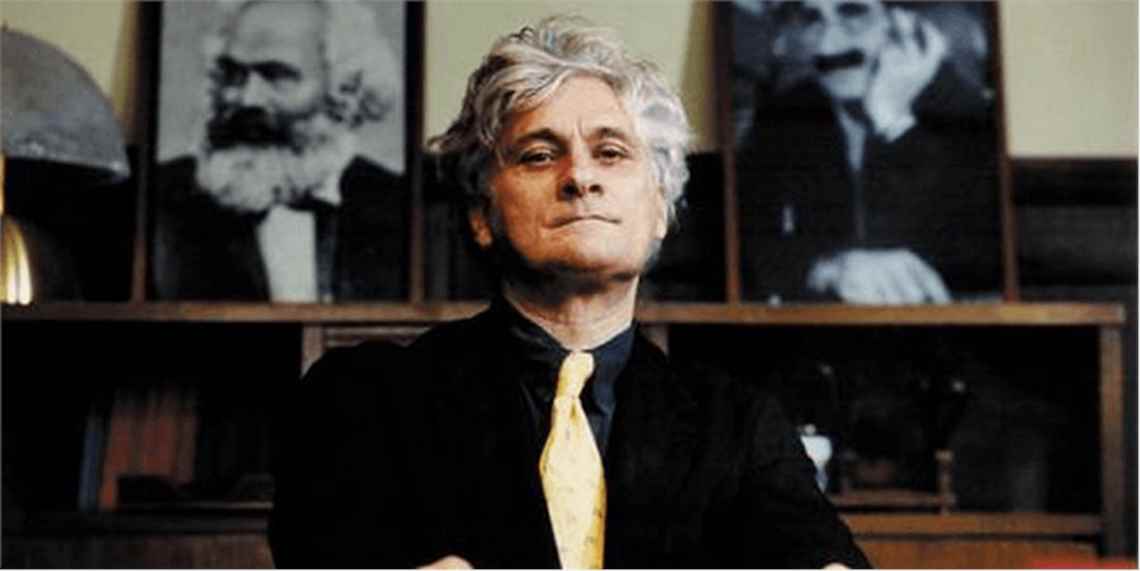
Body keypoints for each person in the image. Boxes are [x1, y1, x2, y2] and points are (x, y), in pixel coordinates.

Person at [269, 16, 869, 569]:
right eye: (538, 155)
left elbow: (817, 553)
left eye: (611, 153)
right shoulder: (364, 399)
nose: (580, 177)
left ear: (660, 209)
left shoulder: (738, 425)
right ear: (481, 214)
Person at [737, 0, 1002, 305]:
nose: (827, 45)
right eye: (812, 19)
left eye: (853, 13)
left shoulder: (970, 116)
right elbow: (747, 247)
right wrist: (827, 269)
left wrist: (893, 124)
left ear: (905, 24)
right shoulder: (786, 114)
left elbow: (978, 262)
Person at [152, 0, 407, 301]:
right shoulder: (158, 204)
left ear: (345, 90)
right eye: (232, 74)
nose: (247, 98)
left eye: (276, 75)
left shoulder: (406, 213)